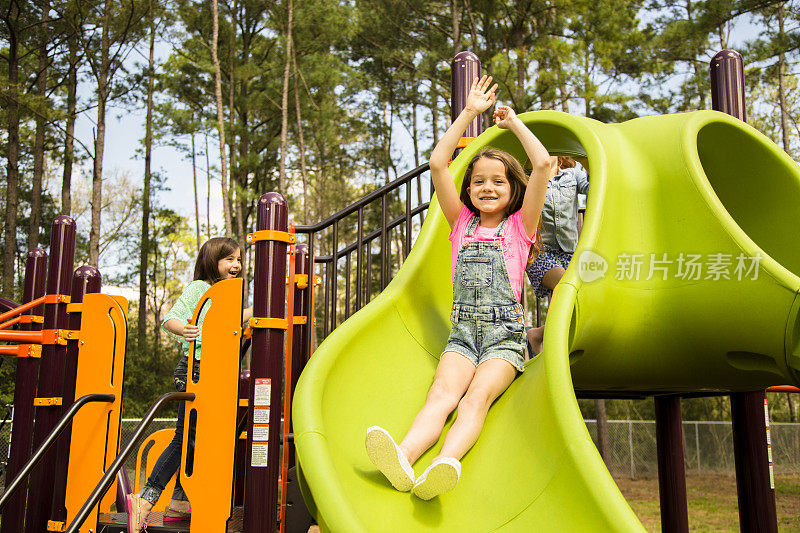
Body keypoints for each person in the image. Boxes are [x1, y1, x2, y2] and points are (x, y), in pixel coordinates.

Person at [365, 76, 552, 500]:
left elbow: (541, 165)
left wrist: (514, 124)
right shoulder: (460, 224)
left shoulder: (521, 227)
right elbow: (437, 164)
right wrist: (470, 113)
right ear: (467, 190)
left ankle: (443, 463)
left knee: (475, 399)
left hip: (505, 338)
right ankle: (404, 455)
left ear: (513, 189)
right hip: (463, 334)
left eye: (498, 181)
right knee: (441, 394)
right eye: (479, 181)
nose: (487, 187)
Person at [127, 237, 251, 532]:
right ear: (212, 261)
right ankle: (144, 501)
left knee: (200, 440)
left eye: (238, 260)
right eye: (228, 259)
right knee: (184, 439)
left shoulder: (229, 296)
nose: (236, 265)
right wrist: (184, 328)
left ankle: (179, 502)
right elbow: (170, 318)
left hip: (216, 372)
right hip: (194, 370)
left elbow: (235, 323)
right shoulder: (201, 289)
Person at [525, 156, 589, 355]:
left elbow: (592, 188)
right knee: (563, 284)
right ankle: (553, 346)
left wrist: (588, 159)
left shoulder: (573, 172)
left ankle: (539, 335)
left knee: (573, 301)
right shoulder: (529, 176)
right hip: (539, 252)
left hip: (569, 251)